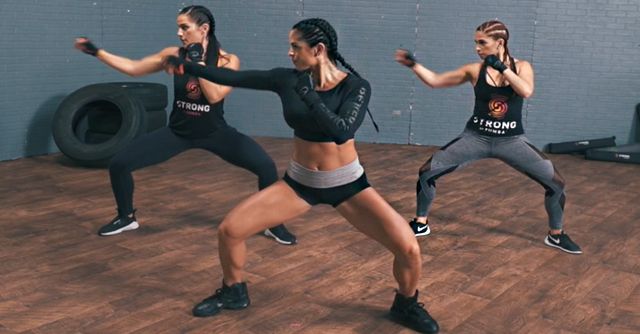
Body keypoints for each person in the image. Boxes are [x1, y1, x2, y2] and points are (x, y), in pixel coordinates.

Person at [164, 17, 439, 334]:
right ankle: (233, 291)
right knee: (229, 230)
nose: (290, 53)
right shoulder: (286, 79)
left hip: (348, 186)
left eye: (296, 47)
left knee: (409, 249)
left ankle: (405, 304)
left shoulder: (355, 86)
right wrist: (189, 66)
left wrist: (309, 94)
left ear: (318, 49)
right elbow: (233, 77)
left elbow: (342, 131)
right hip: (299, 183)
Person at [74, 5, 296, 245]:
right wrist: (96, 52)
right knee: (119, 164)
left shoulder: (227, 60)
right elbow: (133, 68)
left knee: (265, 167)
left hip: (214, 133)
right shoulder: (173, 53)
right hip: (178, 132)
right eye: (178, 28)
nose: (179, 33)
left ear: (204, 29)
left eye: (184, 27)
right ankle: (126, 217)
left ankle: (273, 224)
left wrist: (197, 62)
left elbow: (214, 96)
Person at [395, 20, 582, 254]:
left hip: (512, 141)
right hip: (476, 138)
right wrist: (413, 65)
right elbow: (435, 81)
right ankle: (420, 224)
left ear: (499, 43)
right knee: (426, 172)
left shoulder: (523, 66)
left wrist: (503, 69)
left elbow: (526, 91)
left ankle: (556, 235)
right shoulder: (475, 70)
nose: (477, 48)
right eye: (475, 42)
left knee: (557, 183)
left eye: (482, 43)